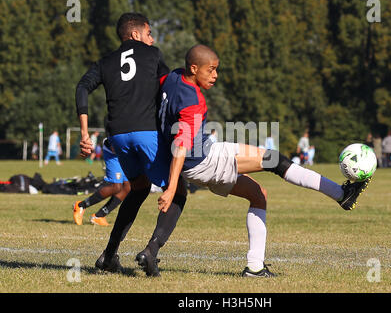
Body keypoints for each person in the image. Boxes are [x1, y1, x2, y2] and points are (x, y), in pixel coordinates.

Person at [156, 45, 371, 277]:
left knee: (258, 195)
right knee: (274, 160)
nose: (215, 75)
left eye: (217, 70)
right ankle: (341, 195)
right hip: (205, 160)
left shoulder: (172, 78)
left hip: (196, 165)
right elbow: (181, 144)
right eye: (211, 70)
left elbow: (157, 76)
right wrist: (171, 187)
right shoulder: (193, 98)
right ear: (194, 68)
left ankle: (255, 267)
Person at [75, 12, 187, 277]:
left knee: (137, 188)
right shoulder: (154, 54)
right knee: (178, 189)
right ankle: (151, 251)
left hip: (117, 137)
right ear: (136, 34)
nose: (152, 38)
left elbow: (81, 87)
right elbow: (169, 89)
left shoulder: (106, 61)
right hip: (146, 132)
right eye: (149, 33)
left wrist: (84, 133)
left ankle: (109, 255)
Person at [73, 138, 131, 226]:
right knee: (116, 187)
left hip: (126, 154)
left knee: (127, 187)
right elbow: (114, 146)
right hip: (114, 152)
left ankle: (99, 216)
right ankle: (81, 205)